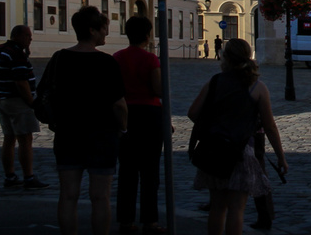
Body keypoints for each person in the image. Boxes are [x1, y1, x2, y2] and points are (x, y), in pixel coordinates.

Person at [37, 6, 128, 235]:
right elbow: (118, 104)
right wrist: (123, 128)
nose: (106, 33)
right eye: (103, 29)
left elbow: (44, 94)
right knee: (100, 197)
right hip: (102, 134)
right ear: (93, 30)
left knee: (68, 195)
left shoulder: (60, 58)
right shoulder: (106, 63)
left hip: (68, 133)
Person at [188, 38, 288, 235]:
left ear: (226, 58)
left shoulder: (215, 82)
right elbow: (269, 126)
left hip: (215, 151)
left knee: (217, 208)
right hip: (241, 153)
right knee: (236, 209)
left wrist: (213, 126)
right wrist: (280, 156)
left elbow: (193, 113)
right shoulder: (257, 87)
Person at [0, 24, 50, 190]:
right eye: (28, 36)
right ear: (18, 36)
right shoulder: (17, 54)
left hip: (1, 100)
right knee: (25, 139)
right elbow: (21, 82)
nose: (30, 39)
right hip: (17, 101)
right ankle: (29, 177)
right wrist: (32, 103)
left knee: (9, 138)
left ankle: (10, 176)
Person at [112, 17, 164, 234]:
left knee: (127, 171)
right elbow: (158, 89)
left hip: (126, 115)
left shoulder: (117, 58)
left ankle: (126, 221)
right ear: (147, 35)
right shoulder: (151, 59)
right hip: (149, 114)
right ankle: (150, 221)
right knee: (150, 172)